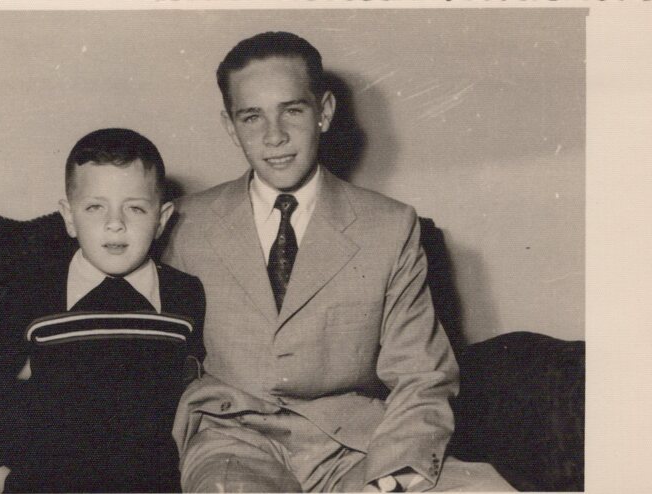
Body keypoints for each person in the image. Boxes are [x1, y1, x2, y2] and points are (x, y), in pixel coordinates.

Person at [161, 32, 515, 492]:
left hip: (354, 445)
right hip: (233, 442)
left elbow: (421, 376)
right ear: (231, 126)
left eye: (292, 110)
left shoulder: (389, 226)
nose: (274, 136)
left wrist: (392, 480)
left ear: (324, 112)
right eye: (252, 117)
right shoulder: (185, 225)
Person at [0, 128, 205, 493]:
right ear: (69, 216)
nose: (115, 223)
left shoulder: (185, 295)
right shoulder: (31, 294)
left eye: (135, 208)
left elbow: (199, 391)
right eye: (95, 207)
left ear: (161, 218)